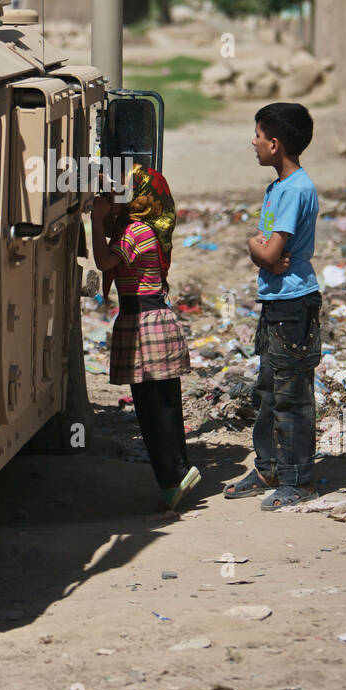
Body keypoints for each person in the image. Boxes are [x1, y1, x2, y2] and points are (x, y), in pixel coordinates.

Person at [225, 102, 322, 510]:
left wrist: (253, 246)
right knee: (267, 390)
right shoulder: (277, 189)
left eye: (259, 136)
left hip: (293, 304)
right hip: (276, 303)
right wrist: (258, 248)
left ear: (276, 143)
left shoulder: (297, 189)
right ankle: (267, 467)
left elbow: (268, 254)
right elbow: (265, 252)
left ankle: (296, 478)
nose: (254, 142)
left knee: (291, 395)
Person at [90, 163, 200, 510]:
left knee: (152, 408)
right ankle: (177, 472)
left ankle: (172, 478)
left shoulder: (136, 232)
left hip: (144, 324)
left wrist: (95, 220)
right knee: (164, 404)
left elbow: (104, 261)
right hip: (153, 320)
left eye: (125, 190)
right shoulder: (143, 228)